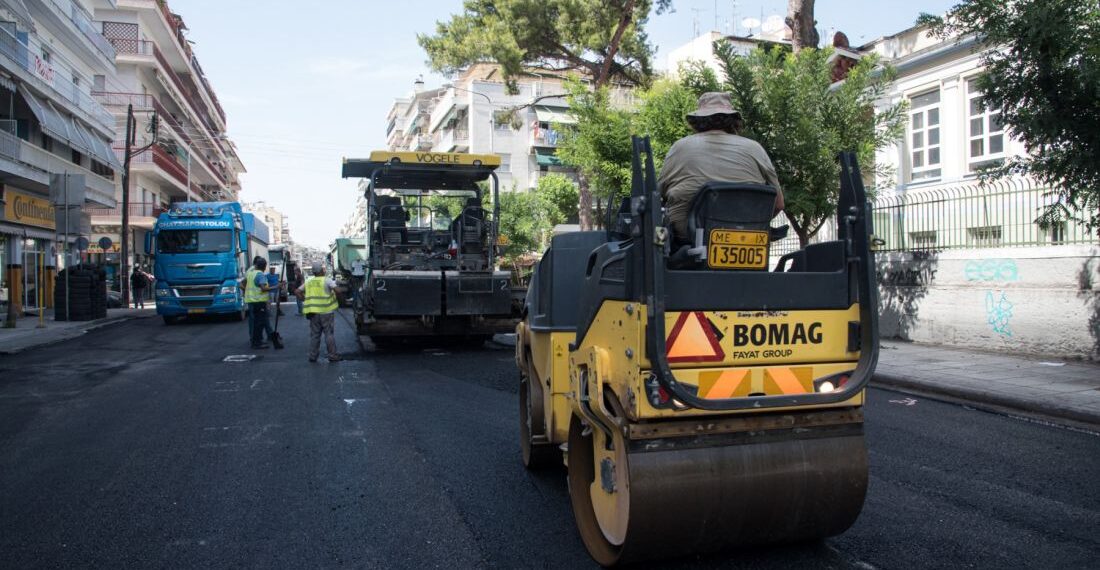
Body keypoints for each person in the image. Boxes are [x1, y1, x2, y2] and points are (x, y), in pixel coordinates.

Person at [658, 92, 785, 245]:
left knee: (657, 231)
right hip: (745, 240)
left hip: (686, 241)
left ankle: (656, 258)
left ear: (697, 121)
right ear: (733, 121)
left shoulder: (680, 147)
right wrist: (750, 224)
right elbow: (779, 204)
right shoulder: (755, 148)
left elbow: (657, 196)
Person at [296, 261, 342, 362]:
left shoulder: (309, 282)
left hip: (313, 313)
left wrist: (304, 299)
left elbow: (297, 291)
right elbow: (338, 291)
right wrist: (337, 299)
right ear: (321, 270)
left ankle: (313, 356)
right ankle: (333, 356)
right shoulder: (327, 280)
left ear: (313, 272)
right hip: (326, 312)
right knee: (329, 334)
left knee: (315, 335)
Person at [243, 257, 273, 349]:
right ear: (264, 267)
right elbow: (263, 288)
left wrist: (246, 291)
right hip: (259, 302)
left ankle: (256, 340)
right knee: (259, 323)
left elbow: (242, 284)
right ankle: (257, 342)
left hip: (252, 301)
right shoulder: (260, 275)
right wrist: (276, 286)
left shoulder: (250, 273)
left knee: (256, 322)